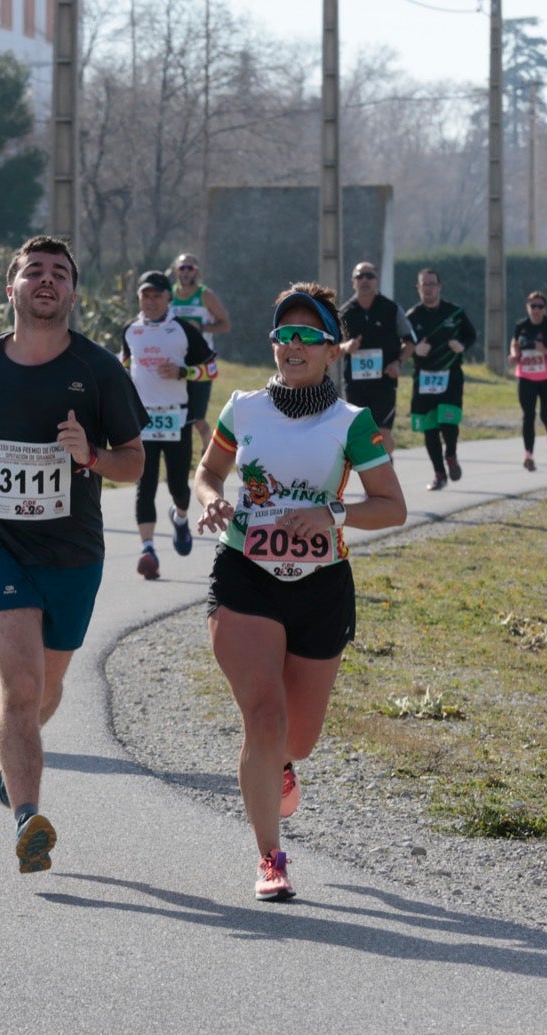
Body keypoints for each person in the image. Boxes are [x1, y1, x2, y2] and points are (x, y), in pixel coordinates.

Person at [0, 235, 146, 875]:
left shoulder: (101, 371)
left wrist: (91, 457)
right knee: (20, 687)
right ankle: (29, 820)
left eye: (60, 273)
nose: (47, 280)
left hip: (73, 552)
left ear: (73, 292)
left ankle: (12, 766)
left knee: (44, 690)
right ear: (11, 288)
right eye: (34, 271)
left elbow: (134, 460)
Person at [193, 282, 407, 901]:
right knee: (263, 717)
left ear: (332, 350)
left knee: (298, 738)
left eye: (308, 336)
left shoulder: (352, 424)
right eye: (283, 335)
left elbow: (392, 507)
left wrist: (332, 514)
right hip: (245, 576)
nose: (293, 346)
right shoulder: (243, 408)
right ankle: (270, 859)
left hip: (321, 587)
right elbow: (207, 473)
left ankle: (280, 764)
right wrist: (212, 502)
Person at [121, 270, 215, 580]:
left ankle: (180, 517)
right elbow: (123, 367)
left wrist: (183, 373)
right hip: (142, 420)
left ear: (168, 299)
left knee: (178, 485)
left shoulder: (183, 330)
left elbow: (211, 368)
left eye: (156, 296)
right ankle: (147, 549)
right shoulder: (130, 331)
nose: (150, 301)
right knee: (144, 485)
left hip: (176, 417)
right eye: (145, 296)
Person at [406, 268, 478, 489]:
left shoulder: (454, 312)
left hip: (450, 376)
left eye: (432, 284)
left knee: (448, 420)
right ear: (418, 288)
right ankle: (439, 474)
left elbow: (471, 335)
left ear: (439, 287)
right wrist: (415, 349)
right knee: (429, 428)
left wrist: (461, 345)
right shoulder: (412, 316)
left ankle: (451, 455)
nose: (428, 288)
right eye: (424, 285)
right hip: (424, 377)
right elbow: (402, 344)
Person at [338, 261, 414, 455]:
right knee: (363, 435)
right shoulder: (344, 313)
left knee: (382, 432)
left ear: (377, 281)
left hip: (384, 383)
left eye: (369, 276)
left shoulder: (391, 309)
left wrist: (399, 362)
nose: (365, 280)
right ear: (353, 282)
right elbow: (330, 348)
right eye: (360, 276)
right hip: (355, 385)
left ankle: (386, 473)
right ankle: (372, 479)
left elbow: (410, 342)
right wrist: (346, 346)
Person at [169, 252, 230, 447]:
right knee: (176, 413)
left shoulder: (205, 295)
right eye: (182, 268)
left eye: (190, 268)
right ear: (176, 271)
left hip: (201, 364)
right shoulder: (168, 295)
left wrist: (201, 328)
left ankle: (207, 449)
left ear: (196, 272)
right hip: (177, 361)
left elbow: (226, 325)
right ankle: (179, 453)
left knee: (198, 419)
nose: (186, 272)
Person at [509, 291, 547, 471]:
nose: (536, 310)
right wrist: (514, 355)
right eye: (532, 306)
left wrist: (545, 350)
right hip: (525, 376)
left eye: (540, 306)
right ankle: (529, 455)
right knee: (528, 415)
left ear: (545, 309)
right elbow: (515, 343)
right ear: (527, 307)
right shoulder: (521, 326)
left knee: (545, 414)